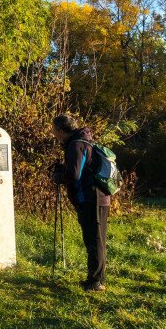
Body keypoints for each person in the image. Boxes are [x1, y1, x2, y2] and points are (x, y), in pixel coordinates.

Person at [50, 114, 110, 292]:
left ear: (61, 130)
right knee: (94, 238)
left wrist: (59, 176)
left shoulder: (76, 145)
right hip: (96, 197)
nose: (53, 133)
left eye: (54, 130)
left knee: (95, 239)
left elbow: (74, 175)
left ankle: (97, 282)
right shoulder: (82, 141)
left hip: (91, 198)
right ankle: (94, 279)